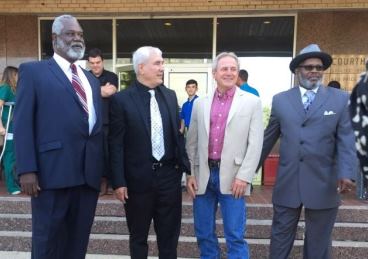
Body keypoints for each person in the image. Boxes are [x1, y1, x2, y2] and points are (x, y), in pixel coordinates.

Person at [13, 14, 104, 259]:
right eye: (70, 33)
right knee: (47, 244)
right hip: (50, 175)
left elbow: (96, 129)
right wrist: (26, 169)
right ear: (54, 39)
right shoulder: (34, 71)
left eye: (80, 34)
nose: (77, 38)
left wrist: (102, 170)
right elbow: (21, 123)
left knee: (77, 245)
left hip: (87, 178)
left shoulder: (90, 79)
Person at [259, 44, 356, 259]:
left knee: (318, 245)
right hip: (288, 182)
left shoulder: (340, 99)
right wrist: (245, 173)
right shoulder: (281, 100)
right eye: (308, 67)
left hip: (324, 183)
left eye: (319, 67)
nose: (314, 71)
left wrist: (346, 172)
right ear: (297, 71)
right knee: (280, 240)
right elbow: (267, 139)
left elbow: (346, 139)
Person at [109, 46, 190, 259]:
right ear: (141, 67)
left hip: (169, 180)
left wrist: (186, 170)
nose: (162, 67)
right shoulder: (122, 100)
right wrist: (118, 181)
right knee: (138, 238)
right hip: (137, 182)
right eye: (158, 63)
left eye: (162, 63)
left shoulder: (171, 97)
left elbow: (177, 136)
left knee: (169, 239)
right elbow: (115, 143)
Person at [186, 52, 264, 258]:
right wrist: (190, 174)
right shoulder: (199, 103)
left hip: (234, 178)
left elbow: (255, 145)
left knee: (235, 235)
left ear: (237, 73)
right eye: (224, 69)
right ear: (214, 73)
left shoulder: (252, 102)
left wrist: (245, 177)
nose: (229, 73)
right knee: (203, 234)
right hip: (203, 175)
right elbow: (191, 142)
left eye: (233, 69)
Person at [88, 47, 118, 196]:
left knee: (109, 153)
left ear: (103, 62)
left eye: (98, 62)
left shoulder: (111, 76)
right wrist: (100, 90)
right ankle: (97, 181)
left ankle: (108, 181)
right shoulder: (84, 75)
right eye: (92, 63)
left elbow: (109, 91)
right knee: (93, 153)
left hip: (107, 122)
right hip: (89, 123)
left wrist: (88, 91)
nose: (95, 65)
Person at [0, 66, 21, 195]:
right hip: (8, 128)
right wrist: (0, 127)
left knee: (14, 155)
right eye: (17, 75)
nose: (19, 77)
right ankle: (11, 186)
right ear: (12, 75)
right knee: (10, 155)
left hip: (16, 128)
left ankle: (15, 180)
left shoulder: (15, 90)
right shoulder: (5, 88)